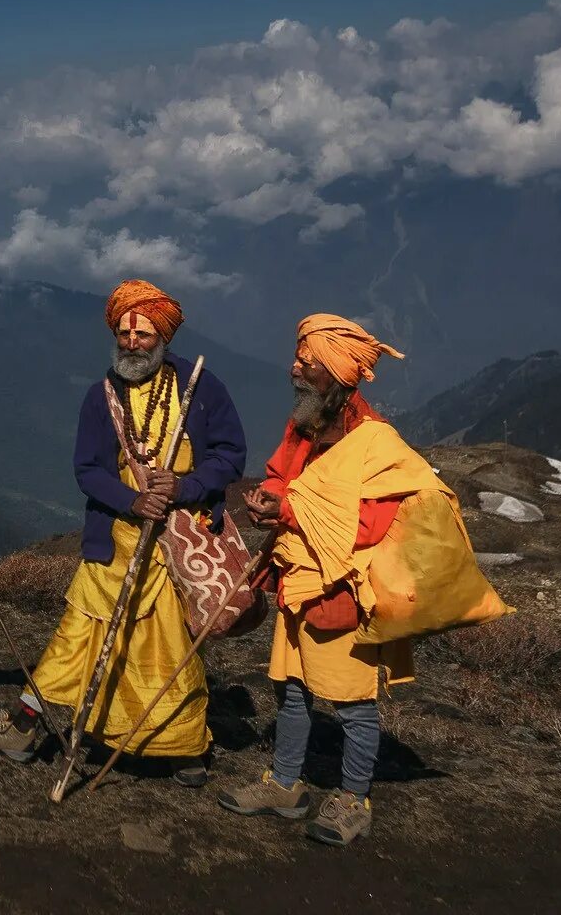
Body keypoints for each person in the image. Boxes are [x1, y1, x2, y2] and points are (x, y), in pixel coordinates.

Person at [0, 280, 246, 787]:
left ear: (163, 337)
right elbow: (88, 471)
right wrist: (133, 499)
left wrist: (183, 485)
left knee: (168, 646)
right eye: (125, 332)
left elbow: (230, 455)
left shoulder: (201, 389)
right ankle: (26, 723)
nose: (133, 342)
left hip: (177, 540)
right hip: (116, 539)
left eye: (144, 333)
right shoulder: (102, 397)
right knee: (79, 634)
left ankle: (182, 748)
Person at [217, 314, 442, 846]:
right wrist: (267, 506)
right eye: (298, 358)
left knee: (353, 703)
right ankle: (287, 784)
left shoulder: (378, 447)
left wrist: (288, 509)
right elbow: (281, 481)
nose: (295, 369)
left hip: (343, 588)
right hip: (299, 579)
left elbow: (368, 526)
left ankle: (353, 800)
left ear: (339, 377)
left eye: (309, 363)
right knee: (290, 689)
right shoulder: (304, 425)